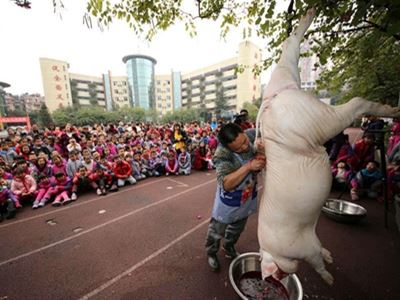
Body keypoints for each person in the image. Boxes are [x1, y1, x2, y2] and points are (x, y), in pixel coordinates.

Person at [205, 123, 266, 271]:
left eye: (244, 142)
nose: (245, 147)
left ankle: (229, 246)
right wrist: (248, 166)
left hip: (246, 195)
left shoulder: (252, 134)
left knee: (238, 226)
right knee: (217, 230)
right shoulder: (222, 155)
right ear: (228, 147)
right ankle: (211, 252)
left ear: (243, 132)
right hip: (228, 201)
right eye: (238, 148)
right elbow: (226, 183)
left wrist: (263, 148)